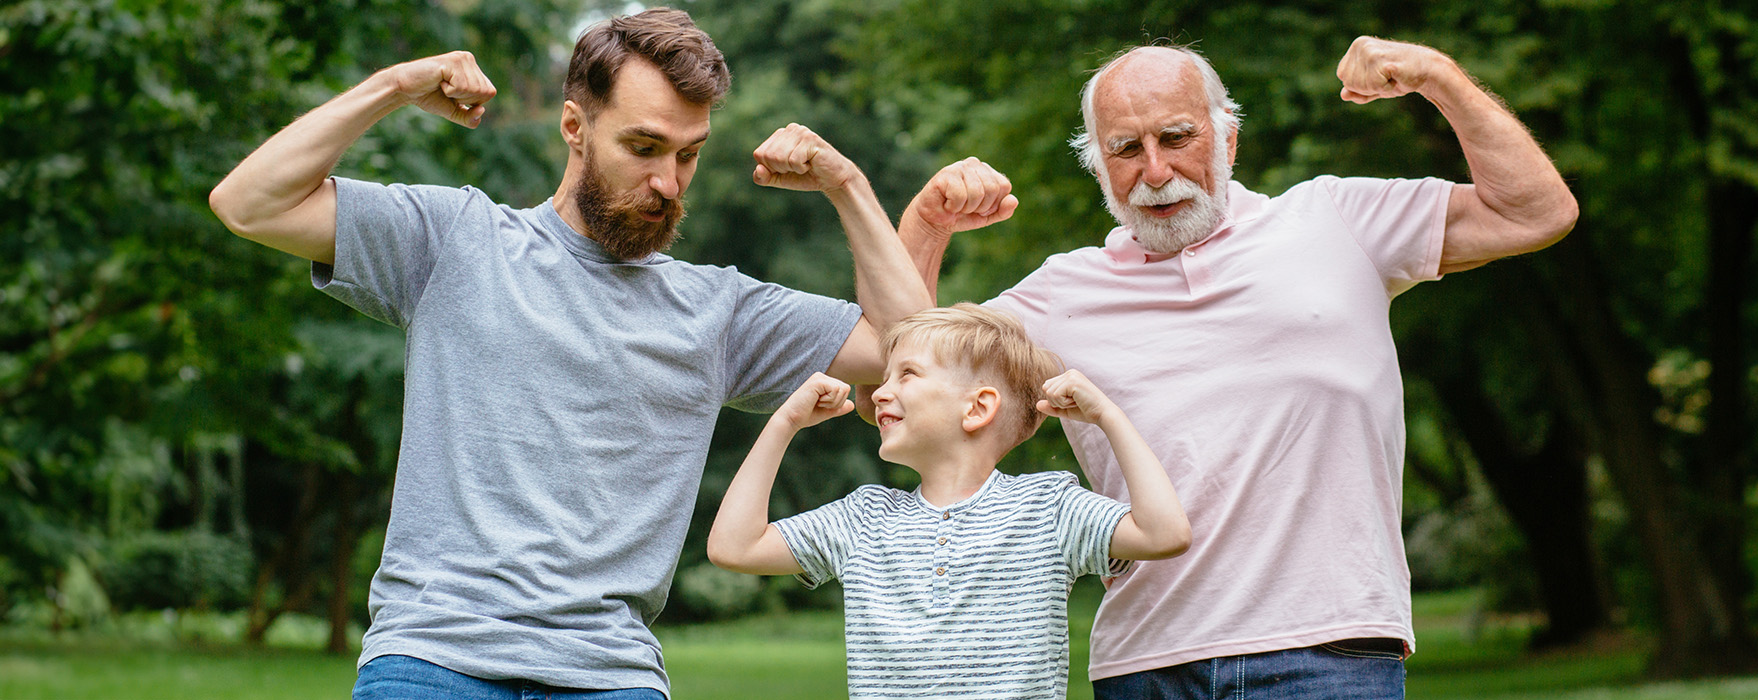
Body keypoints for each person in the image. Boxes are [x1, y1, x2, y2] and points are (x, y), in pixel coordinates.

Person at [205, 8, 983, 698]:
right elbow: (248, 203)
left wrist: (846, 184)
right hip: (433, 660)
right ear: (574, 127)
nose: (668, 183)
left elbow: (912, 352)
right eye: (643, 147)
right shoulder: (454, 241)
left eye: (688, 154)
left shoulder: (719, 310)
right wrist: (394, 87)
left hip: (610, 675)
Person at [890, 39, 1580, 698]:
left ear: (1228, 140)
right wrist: (925, 229)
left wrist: (1439, 79)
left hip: (1330, 653)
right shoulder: (1059, 294)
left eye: (1178, 137)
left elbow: (1535, 212)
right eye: (1125, 149)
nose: (1154, 171)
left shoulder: (1337, 221)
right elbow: (897, 384)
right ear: (1099, 168)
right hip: (1148, 667)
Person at [706, 303, 1191, 699]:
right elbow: (735, 546)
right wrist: (782, 422)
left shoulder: (1048, 508)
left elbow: (1163, 533)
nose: (880, 393)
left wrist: (1107, 415)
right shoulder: (863, 518)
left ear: (977, 408)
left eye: (907, 375)